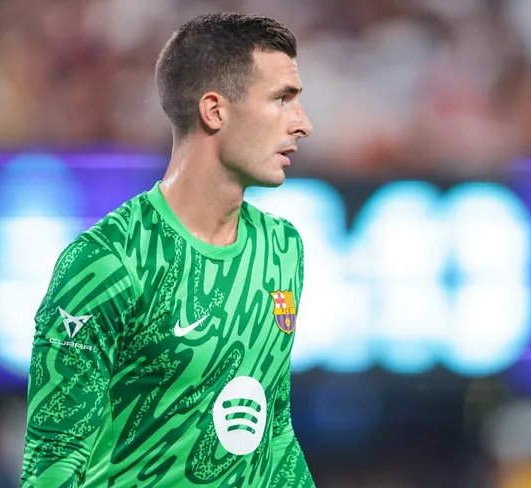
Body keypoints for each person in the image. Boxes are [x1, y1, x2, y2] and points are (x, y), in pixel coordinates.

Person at [19, 11, 314, 488]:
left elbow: (275, 434)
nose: (303, 124)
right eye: (282, 99)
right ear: (214, 111)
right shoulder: (108, 262)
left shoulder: (281, 249)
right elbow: (53, 461)